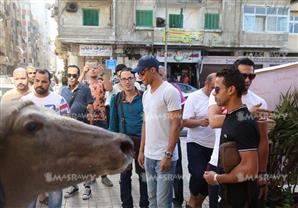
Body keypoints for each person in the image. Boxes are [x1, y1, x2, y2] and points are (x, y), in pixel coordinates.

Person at [207, 58, 270, 208]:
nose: (247, 80)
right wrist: (247, 113)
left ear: (231, 89)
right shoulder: (225, 102)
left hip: (238, 185)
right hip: (219, 162)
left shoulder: (257, 104)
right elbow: (213, 121)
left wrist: (217, 178)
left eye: (251, 76)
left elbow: (261, 143)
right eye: (243, 76)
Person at [134, 55, 181, 208]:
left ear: (153, 70)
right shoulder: (146, 93)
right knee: (152, 199)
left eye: (141, 73)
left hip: (164, 156)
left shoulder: (169, 91)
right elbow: (145, 123)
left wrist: (168, 154)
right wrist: (141, 150)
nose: (139, 77)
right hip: (148, 155)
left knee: (163, 203)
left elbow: (176, 124)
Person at [22, 69, 69, 208]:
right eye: (37, 81)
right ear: (33, 80)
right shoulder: (24, 101)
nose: (40, 84)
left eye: (44, 81)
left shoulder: (59, 100)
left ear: (50, 82)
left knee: (54, 192)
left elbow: (68, 126)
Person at [109, 68, 149, 208]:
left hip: (142, 142)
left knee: (143, 176)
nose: (127, 82)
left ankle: (145, 204)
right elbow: (113, 124)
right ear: (120, 82)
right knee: (125, 176)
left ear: (135, 79)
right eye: (124, 79)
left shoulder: (144, 97)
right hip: (124, 142)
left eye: (130, 78)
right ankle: (127, 205)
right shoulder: (116, 99)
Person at [61, 65, 95, 200]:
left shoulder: (85, 89)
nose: (71, 78)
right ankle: (73, 186)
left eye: (74, 75)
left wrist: (91, 129)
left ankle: (87, 187)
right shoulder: (62, 90)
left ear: (78, 76)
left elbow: (91, 109)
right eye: (69, 75)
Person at [183, 73, 216, 208]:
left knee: (208, 178)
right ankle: (192, 200)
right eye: (215, 87)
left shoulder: (220, 98)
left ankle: (198, 203)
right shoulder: (194, 97)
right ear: (207, 84)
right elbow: (184, 121)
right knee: (197, 174)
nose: (217, 90)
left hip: (215, 145)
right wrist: (200, 122)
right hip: (196, 142)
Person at [79, 63, 114, 189]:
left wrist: (104, 73)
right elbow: (74, 87)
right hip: (87, 119)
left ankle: (104, 176)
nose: (93, 70)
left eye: (95, 68)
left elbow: (110, 88)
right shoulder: (83, 84)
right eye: (90, 68)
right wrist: (82, 72)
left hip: (101, 118)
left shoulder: (101, 82)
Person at [159, 66, 184, 207]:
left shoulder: (173, 89)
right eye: (158, 74)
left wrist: (178, 127)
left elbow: (181, 114)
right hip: (158, 139)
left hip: (172, 137)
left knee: (177, 170)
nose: (160, 78)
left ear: (166, 76)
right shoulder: (151, 90)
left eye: (162, 75)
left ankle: (178, 200)